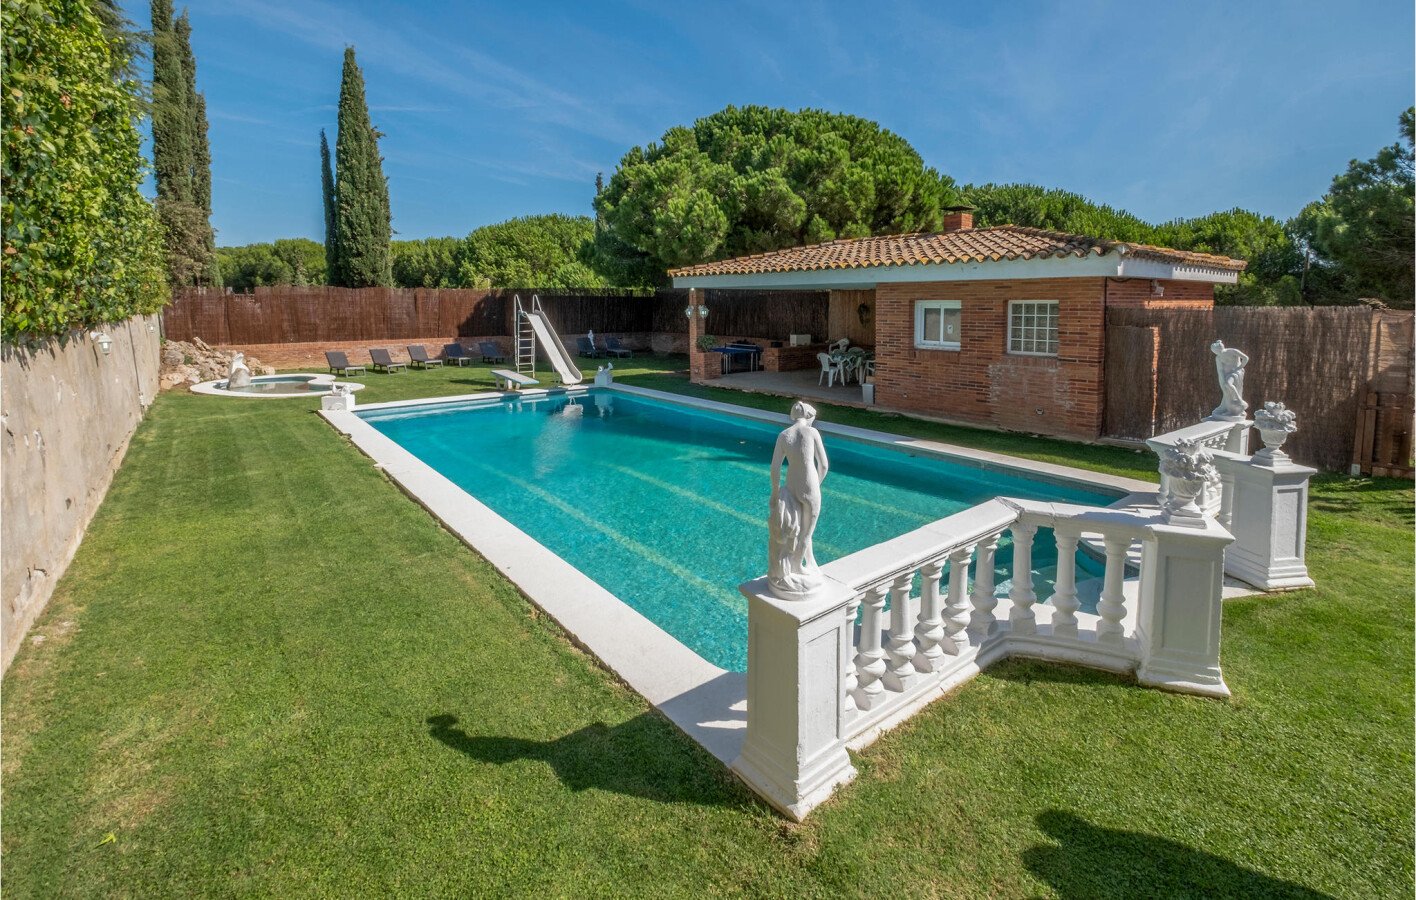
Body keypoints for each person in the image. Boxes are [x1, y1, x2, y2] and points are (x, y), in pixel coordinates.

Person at [768, 401, 829, 599]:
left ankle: (801, 564)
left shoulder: (784, 435)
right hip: (809, 485)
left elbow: (775, 468)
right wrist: (816, 485)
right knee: (806, 532)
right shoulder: (812, 433)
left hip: (791, 484)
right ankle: (797, 567)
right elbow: (824, 465)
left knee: (794, 528)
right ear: (810, 417)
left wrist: (775, 492)